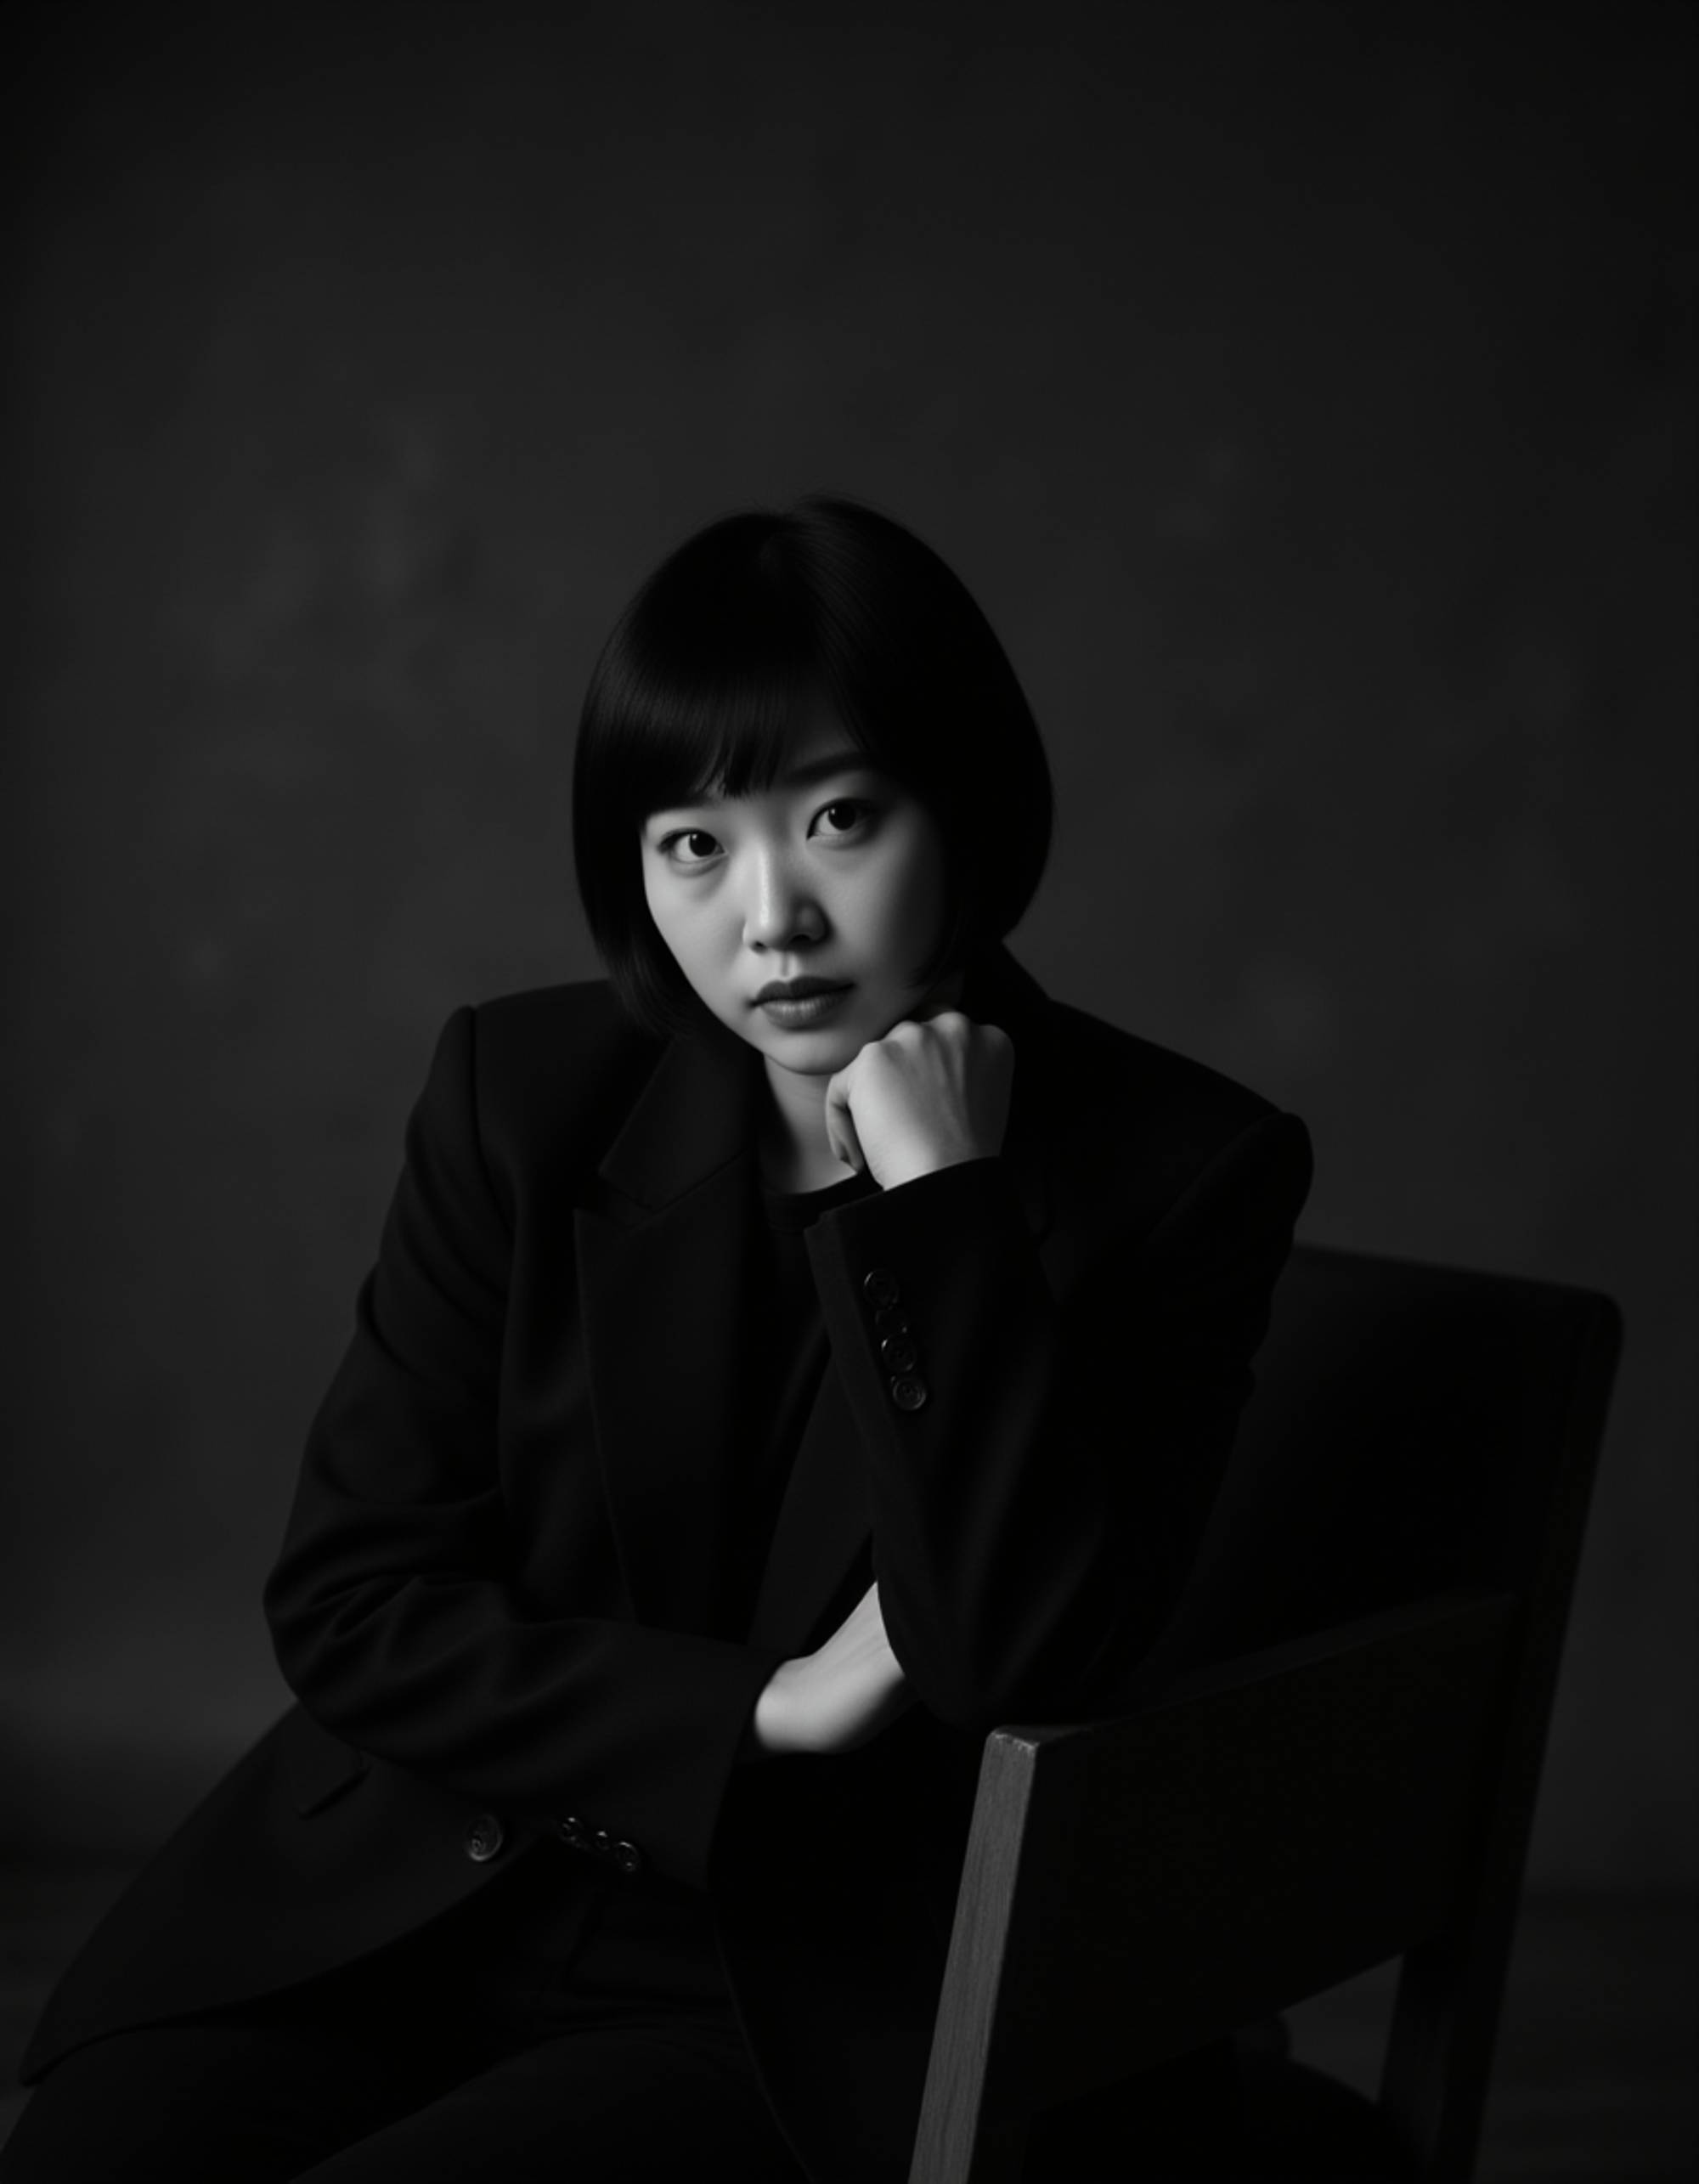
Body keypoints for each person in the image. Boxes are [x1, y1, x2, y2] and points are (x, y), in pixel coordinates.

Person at [3, 495, 1313, 2182]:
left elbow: (1018, 1667)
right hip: (427, 1892)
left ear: (963, 810)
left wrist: (944, 1217)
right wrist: (770, 1706)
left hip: (804, 1989)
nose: (769, 919)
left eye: (840, 816)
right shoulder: (522, 1097)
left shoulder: (1177, 1171)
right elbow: (353, 1600)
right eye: (694, 841)